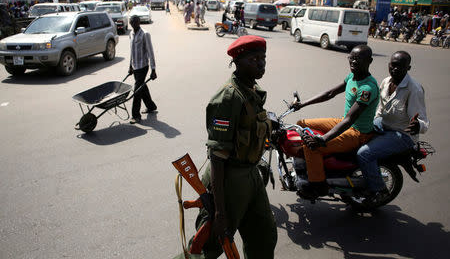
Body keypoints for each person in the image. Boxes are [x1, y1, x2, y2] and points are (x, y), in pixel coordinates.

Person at [174, 35, 277, 259]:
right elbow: (217, 157)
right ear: (237, 62)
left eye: (263, 59)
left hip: (251, 176)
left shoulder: (253, 90)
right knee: (208, 246)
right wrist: (220, 212)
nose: (261, 64)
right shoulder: (228, 98)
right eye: (254, 59)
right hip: (228, 180)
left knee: (264, 235)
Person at [292, 45, 379, 199]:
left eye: (358, 58)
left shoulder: (367, 88)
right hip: (345, 123)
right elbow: (330, 93)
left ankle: (318, 186)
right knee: (301, 123)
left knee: (313, 147)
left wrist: (322, 140)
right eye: (351, 57)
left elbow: (350, 119)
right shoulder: (352, 77)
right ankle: (306, 165)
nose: (353, 61)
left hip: (358, 132)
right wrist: (302, 104)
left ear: (369, 61)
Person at [357, 51, 429, 201]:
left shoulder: (413, 89)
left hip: (402, 134)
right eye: (393, 65)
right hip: (383, 123)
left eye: (400, 66)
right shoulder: (386, 82)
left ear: (408, 67)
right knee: (355, 130)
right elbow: (380, 109)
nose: (395, 69)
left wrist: (418, 125)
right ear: (389, 65)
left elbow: (423, 121)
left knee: (364, 154)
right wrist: (370, 123)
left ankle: (379, 189)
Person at [128, 15, 157, 124]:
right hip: (135, 66)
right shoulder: (131, 34)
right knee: (142, 87)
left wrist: (153, 69)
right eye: (132, 22)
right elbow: (131, 51)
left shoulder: (145, 34)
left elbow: (150, 52)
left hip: (143, 66)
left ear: (139, 22)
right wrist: (130, 66)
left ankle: (136, 115)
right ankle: (151, 106)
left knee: (137, 90)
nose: (134, 24)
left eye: (136, 22)